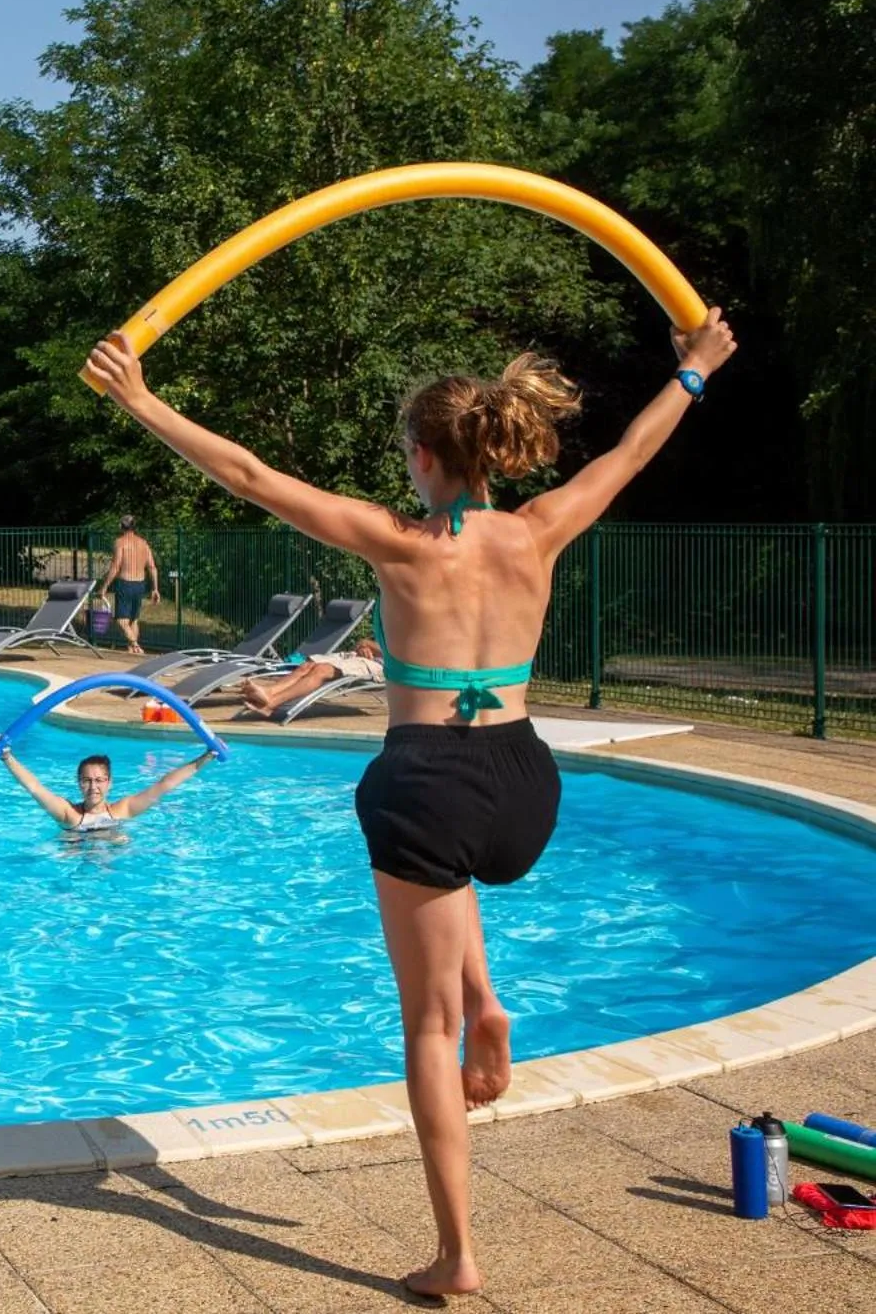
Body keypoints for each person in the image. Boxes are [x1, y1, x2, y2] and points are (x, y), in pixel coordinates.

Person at [84, 310, 737, 1298]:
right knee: (452, 868)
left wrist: (140, 400)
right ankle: (487, 999)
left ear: (425, 456)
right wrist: (691, 372)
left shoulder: (397, 542)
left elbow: (250, 476)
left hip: (428, 777)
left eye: (405, 452)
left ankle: (454, 1251)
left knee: (426, 1028)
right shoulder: (539, 528)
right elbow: (633, 453)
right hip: (525, 781)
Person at [0, 746, 214, 832]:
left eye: (99, 780)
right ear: (79, 783)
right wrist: (7, 757)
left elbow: (165, 785)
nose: (93, 787)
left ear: (109, 782)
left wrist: (206, 757)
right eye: (87, 780)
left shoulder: (124, 810)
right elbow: (34, 787)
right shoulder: (69, 814)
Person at [236, 639, 384, 719]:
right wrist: (364, 645)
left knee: (321, 670)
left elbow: (393, 651)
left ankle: (271, 704)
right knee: (307, 665)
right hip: (358, 656)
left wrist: (368, 644)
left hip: (380, 666)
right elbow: (365, 642)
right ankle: (269, 692)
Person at [96, 515, 161, 654]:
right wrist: (155, 589)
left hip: (125, 584)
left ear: (121, 526)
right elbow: (152, 567)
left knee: (121, 620)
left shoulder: (120, 543)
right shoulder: (143, 543)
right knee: (134, 620)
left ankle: (135, 644)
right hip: (140, 585)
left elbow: (115, 567)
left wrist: (104, 587)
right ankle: (132, 650)